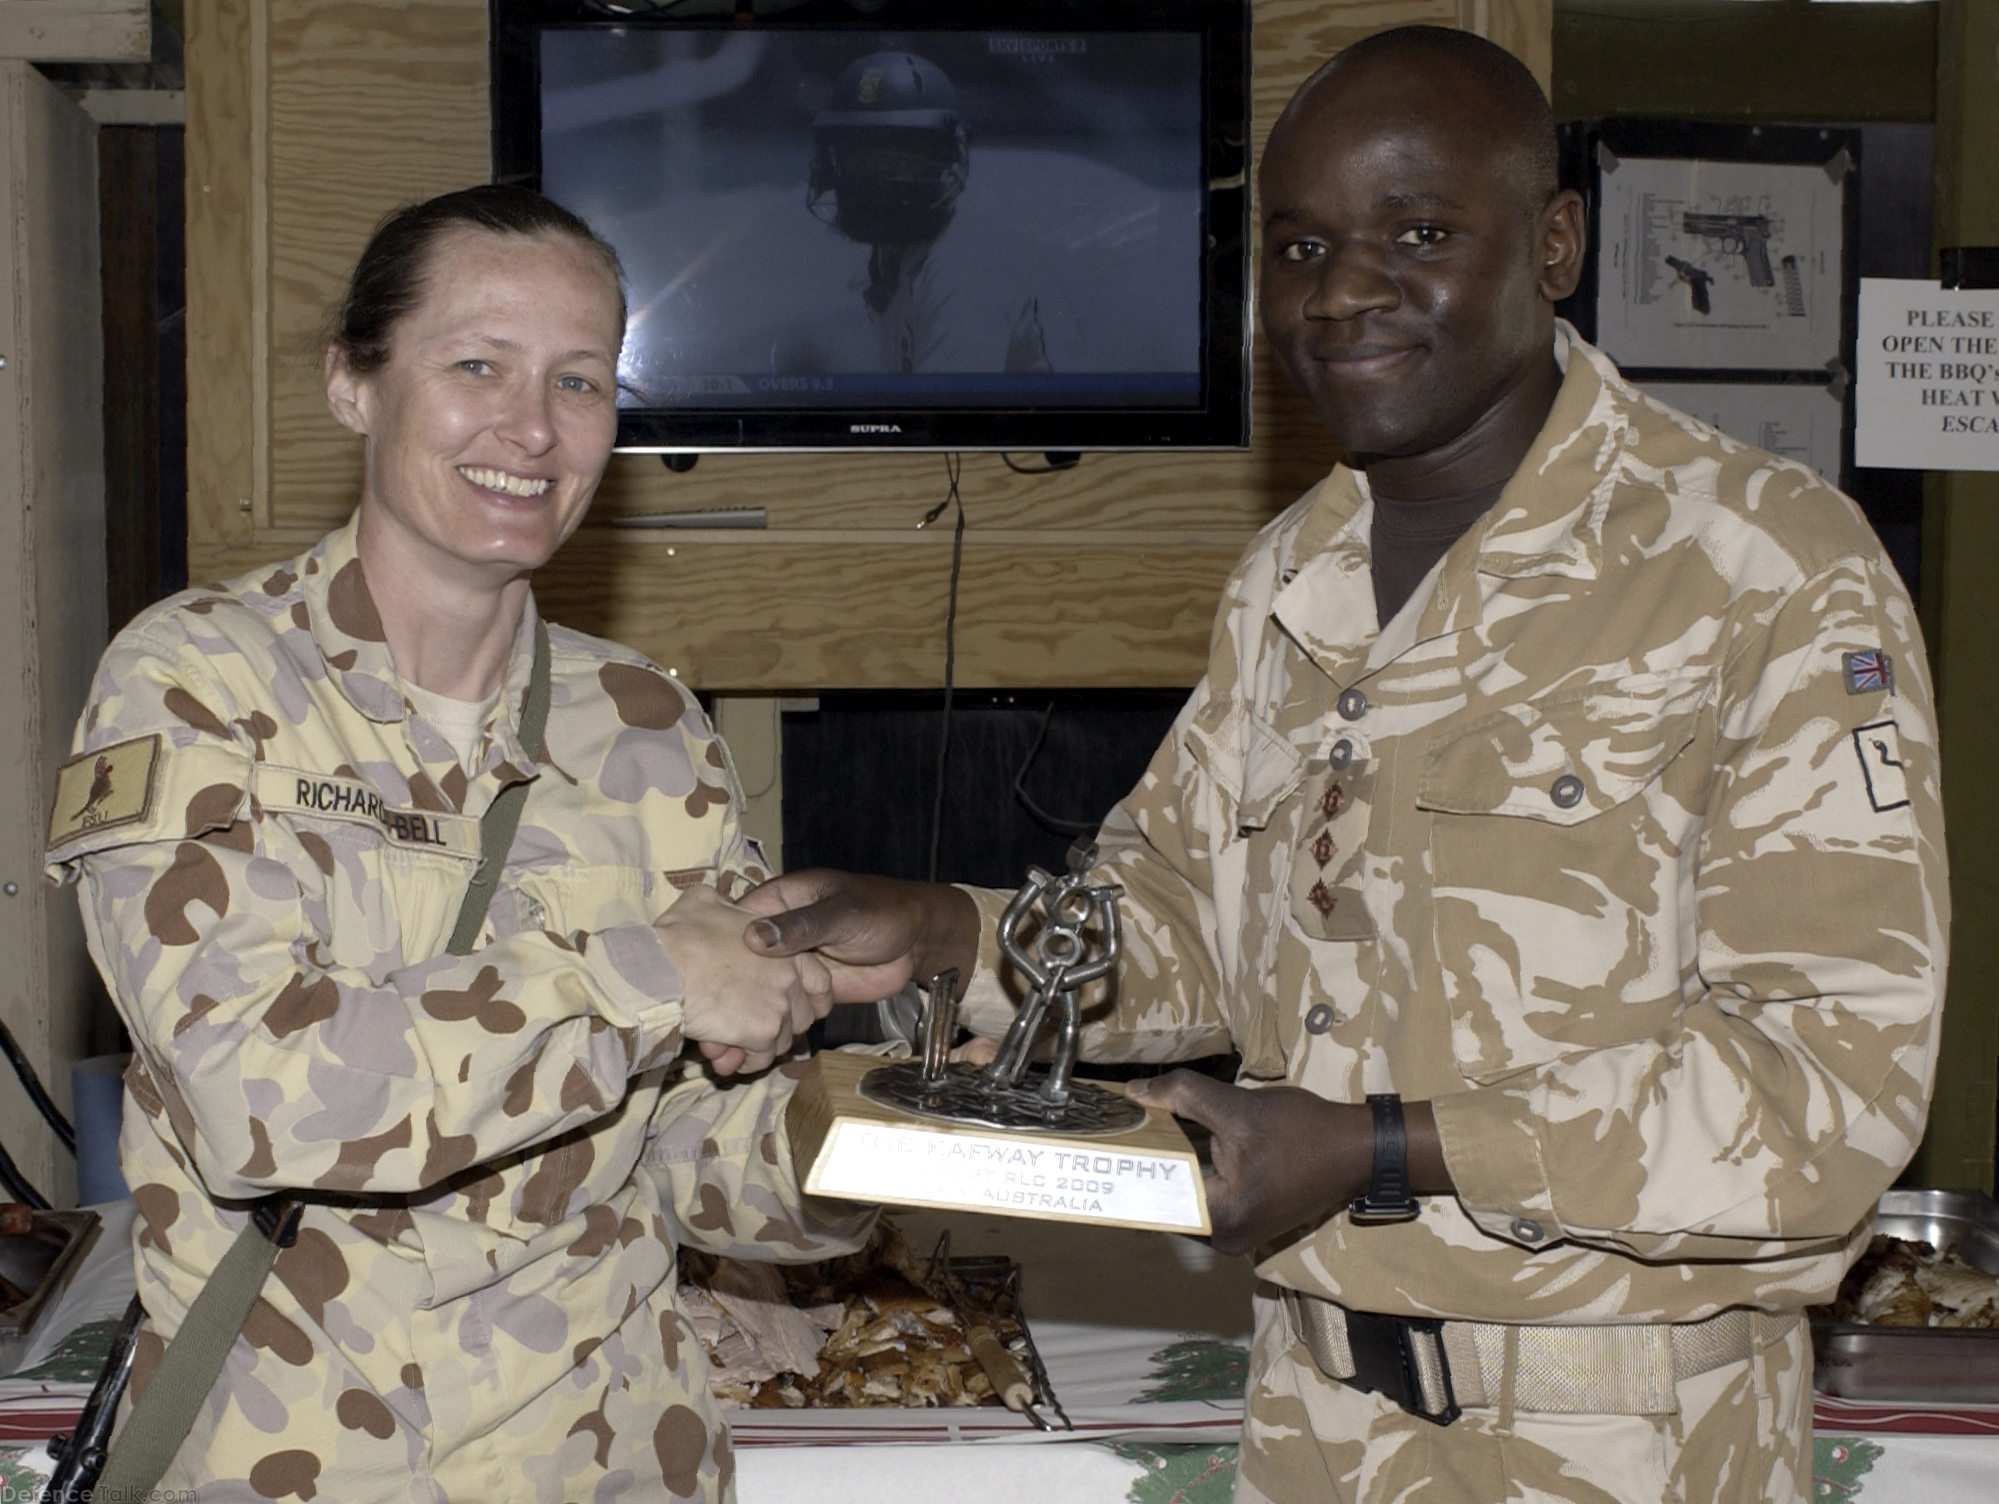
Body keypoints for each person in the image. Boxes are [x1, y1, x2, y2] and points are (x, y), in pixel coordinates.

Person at [740, 26, 1947, 1504]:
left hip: (1620, 1443)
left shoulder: (1764, 571)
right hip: (1314, 1427)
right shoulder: (1291, 576)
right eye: (1301, 246)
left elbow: (1827, 1087)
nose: (1344, 292)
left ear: (1555, 244)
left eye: (1419, 233)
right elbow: (1186, 916)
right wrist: (958, 933)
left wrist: (1383, 1149)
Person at [44, 185, 871, 1500]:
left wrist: (919, 1125)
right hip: (303, 1459)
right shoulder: (197, 681)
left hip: (608, 1459)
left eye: (582, 382)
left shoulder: (649, 726)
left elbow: (696, 1166)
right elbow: (260, 1101)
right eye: (477, 364)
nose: (534, 429)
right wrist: (646, 974)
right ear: (354, 386)